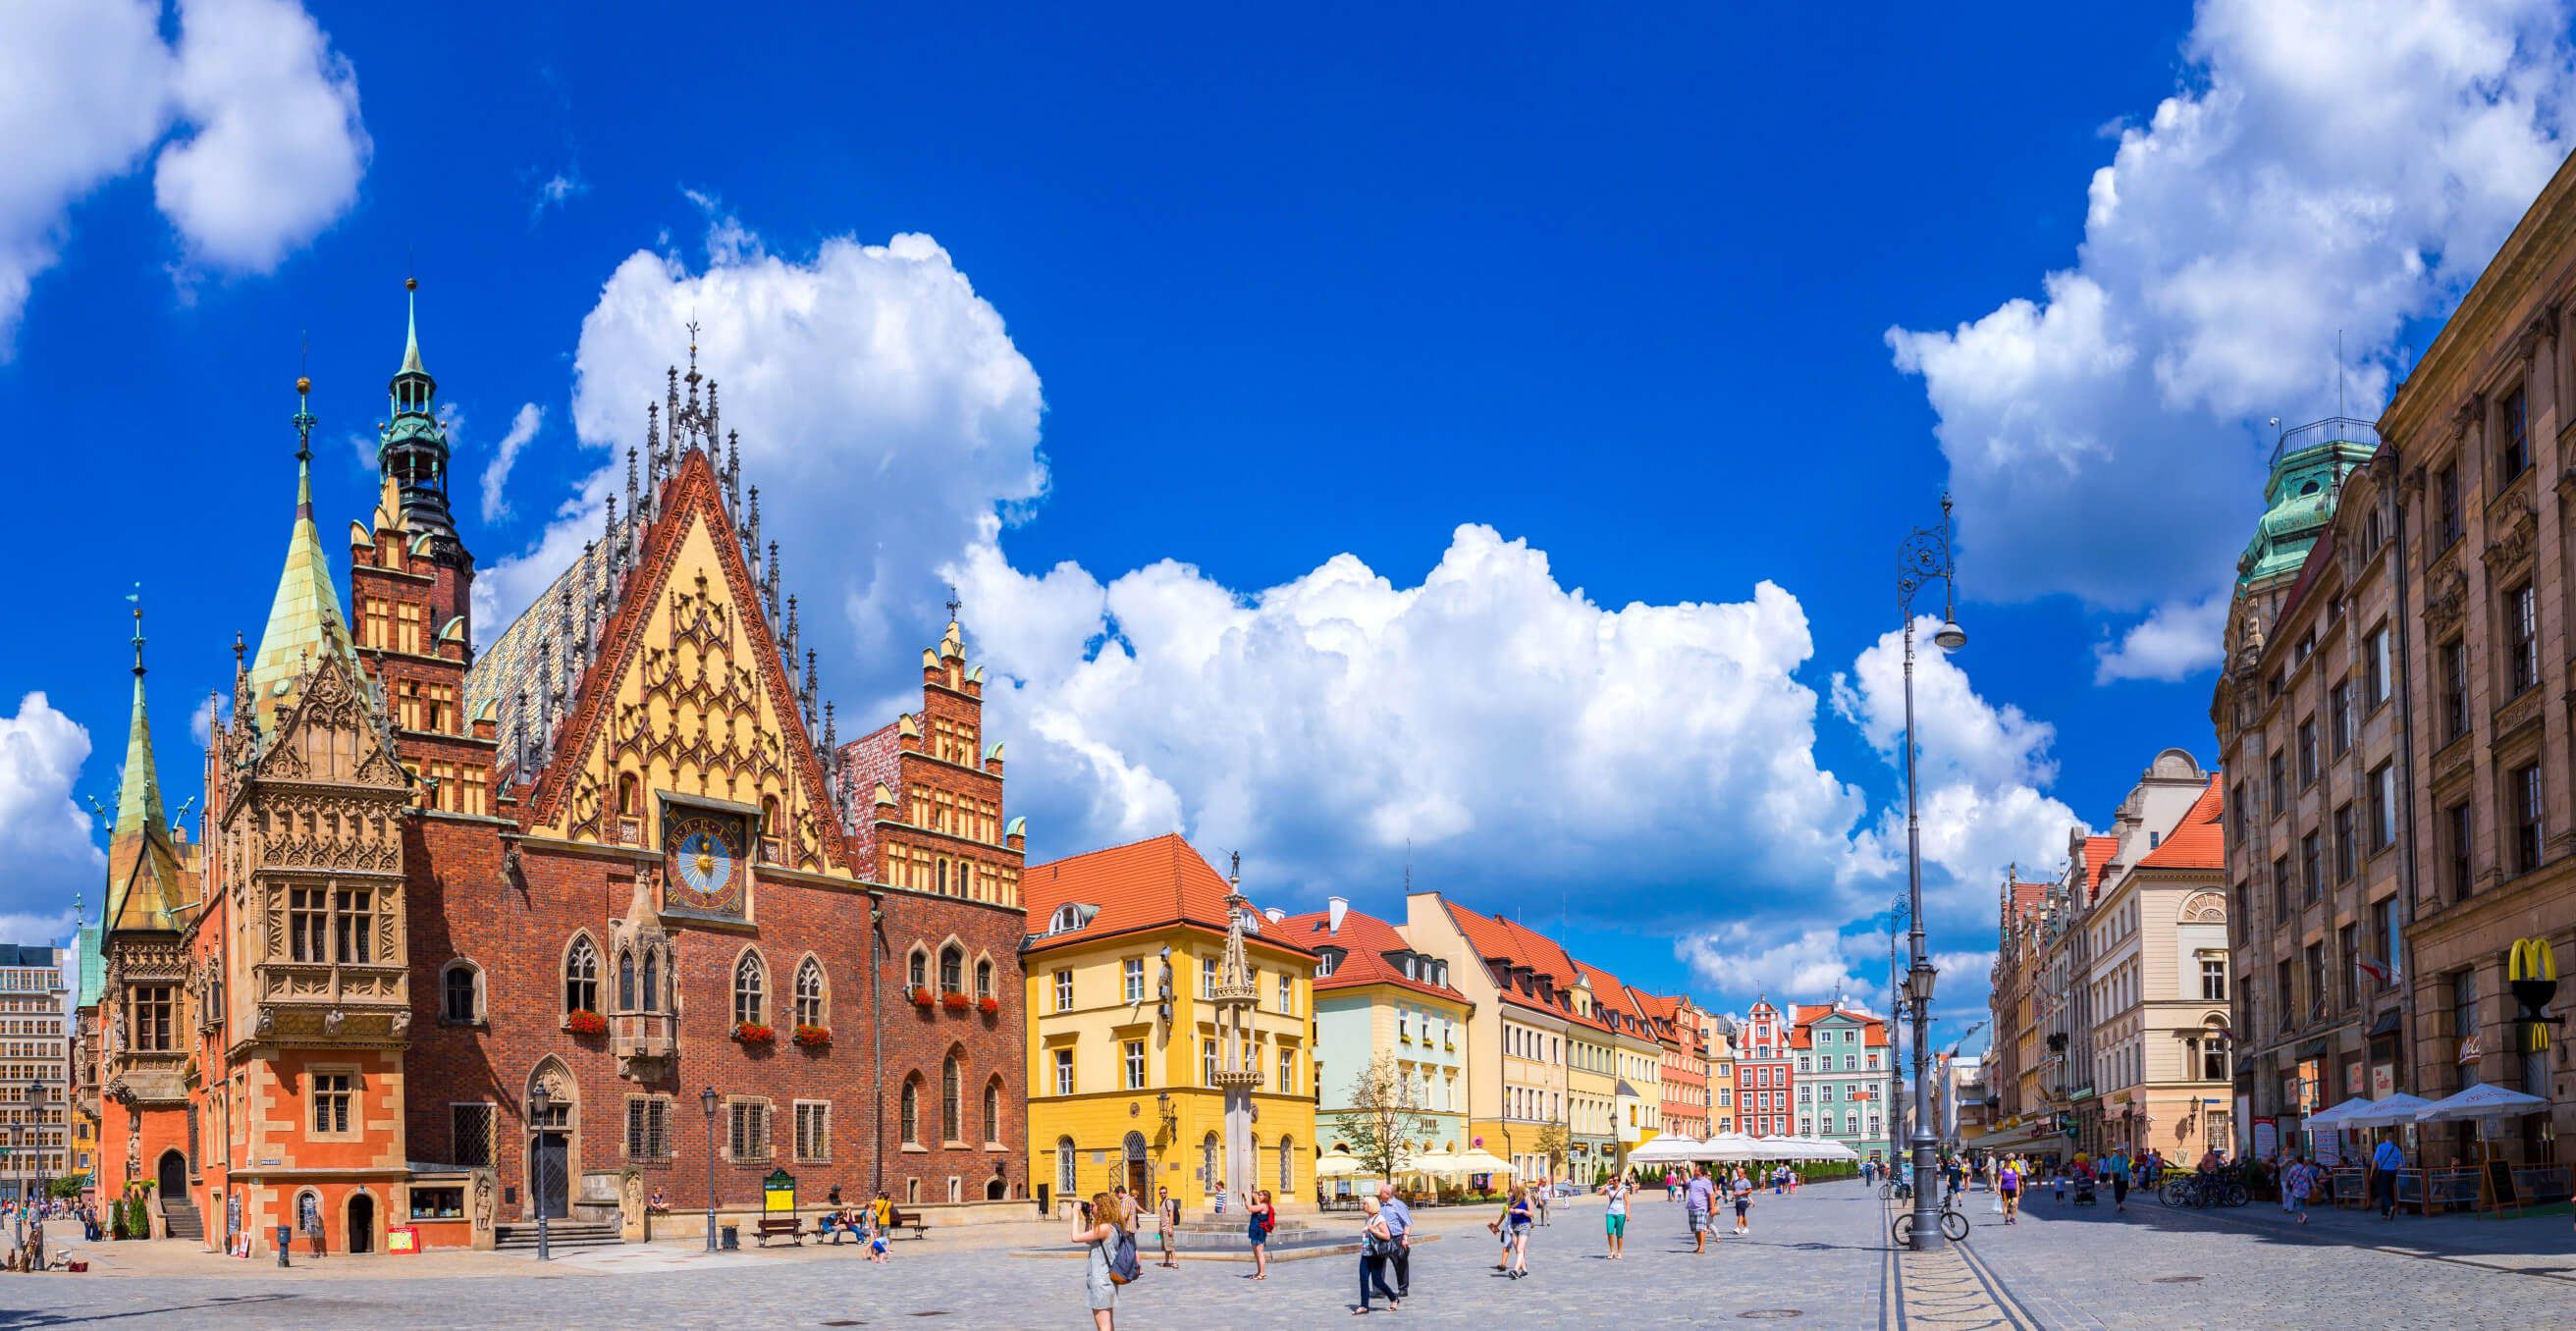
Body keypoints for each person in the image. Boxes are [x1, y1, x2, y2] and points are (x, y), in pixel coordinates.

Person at [1073, 1192, 1125, 1331]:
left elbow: (1075, 1237)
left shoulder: (1104, 1228)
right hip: (1108, 1281)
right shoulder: (1113, 1227)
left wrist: (1075, 1213)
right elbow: (1088, 1240)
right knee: (1108, 1324)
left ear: (1102, 1207)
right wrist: (1087, 1219)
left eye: (1094, 1205)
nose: (1091, 1207)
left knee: (1104, 1327)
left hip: (1100, 1282)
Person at [1355, 1195, 1400, 1313]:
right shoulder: (1368, 1219)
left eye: (1365, 1204)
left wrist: (1373, 1230)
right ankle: (1364, 1306)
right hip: (1365, 1253)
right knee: (1363, 1279)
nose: (1363, 1206)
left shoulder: (1380, 1219)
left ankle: (1393, 1297)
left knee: (1377, 1281)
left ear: (1371, 1206)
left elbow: (1387, 1236)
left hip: (1376, 1255)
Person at [1377, 1183, 1413, 1298]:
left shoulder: (1399, 1205)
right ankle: (1379, 1288)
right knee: (1379, 1264)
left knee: (1400, 1264)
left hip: (1397, 1238)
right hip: (1382, 1238)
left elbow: (1408, 1223)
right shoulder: (1379, 1206)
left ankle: (1403, 1288)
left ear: (1388, 1194)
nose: (1379, 1194)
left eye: (1381, 1192)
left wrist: (1405, 1238)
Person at [2370, 1135, 2404, 1220]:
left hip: (2383, 1172)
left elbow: (2375, 1160)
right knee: (2388, 1191)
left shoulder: (2381, 1147)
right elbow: (2400, 1165)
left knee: (2382, 1192)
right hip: (2393, 1173)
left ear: (2385, 1138)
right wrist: (2393, 1167)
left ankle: (2390, 1206)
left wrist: (2371, 1173)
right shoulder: (2396, 1149)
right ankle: (2384, 1214)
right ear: (2393, 1139)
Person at [1685, 1167, 1716, 1253]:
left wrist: (1712, 1208)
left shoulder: (1706, 1182)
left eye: (1696, 1170)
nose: (1694, 1170)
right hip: (1691, 1207)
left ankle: (1702, 1247)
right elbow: (1685, 1182)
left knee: (1701, 1228)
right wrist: (1682, 1172)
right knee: (1696, 1229)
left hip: (1701, 1207)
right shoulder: (1692, 1180)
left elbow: (1711, 1195)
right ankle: (1699, 1246)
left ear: (1700, 1172)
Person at [1505, 1186, 1534, 1277]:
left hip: (1524, 1225)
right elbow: (1508, 1211)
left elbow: (1531, 1214)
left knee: (1520, 1249)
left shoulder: (1527, 1200)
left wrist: (1522, 1211)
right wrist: (1512, 1211)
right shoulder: (1511, 1199)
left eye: (1514, 1187)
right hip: (1513, 1226)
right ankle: (1524, 1271)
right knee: (1517, 1250)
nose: (1512, 1188)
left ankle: (1515, 1270)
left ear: (1519, 1189)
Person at [1246, 1188, 1273, 1280]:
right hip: (1255, 1230)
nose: (1258, 1196)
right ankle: (1259, 1272)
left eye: (1260, 1195)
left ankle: (1262, 1273)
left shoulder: (1264, 1205)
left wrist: (1245, 1198)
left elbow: (1250, 1208)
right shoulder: (1261, 1205)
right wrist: (1254, 1197)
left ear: (1265, 1197)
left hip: (1259, 1231)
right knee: (1256, 1253)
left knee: (1259, 1253)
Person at [1603, 1176, 1631, 1260]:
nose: (1615, 1182)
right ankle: (1612, 1252)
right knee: (1609, 1232)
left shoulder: (1623, 1189)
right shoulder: (1609, 1188)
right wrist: (1606, 1184)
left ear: (1619, 1181)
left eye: (1616, 1180)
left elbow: (1627, 1202)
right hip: (1610, 1213)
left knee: (1619, 1234)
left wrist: (1628, 1213)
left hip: (1620, 1214)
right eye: (1613, 1180)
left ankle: (1619, 1253)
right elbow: (1599, 1193)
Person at [2283, 1154, 2316, 1225]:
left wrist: (2286, 1185)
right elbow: (2311, 1179)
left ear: (2297, 1160)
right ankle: (2300, 1218)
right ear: (2303, 1161)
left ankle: (2303, 1215)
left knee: (2298, 1203)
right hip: (2305, 1188)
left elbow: (2288, 1178)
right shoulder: (2306, 1169)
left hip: (2297, 1188)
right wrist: (2314, 1188)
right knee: (2301, 1203)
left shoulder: (2294, 1168)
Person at [1156, 1188, 1180, 1269]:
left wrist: (1170, 1227)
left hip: (1167, 1227)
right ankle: (1166, 1262)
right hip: (1162, 1228)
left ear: (1167, 1193)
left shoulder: (1168, 1202)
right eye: (1161, 1193)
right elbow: (1161, 1217)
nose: (1162, 1194)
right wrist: (1159, 1229)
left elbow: (1171, 1215)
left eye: (1164, 1192)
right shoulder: (1161, 1203)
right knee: (1166, 1246)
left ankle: (1174, 1262)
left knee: (1170, 1246)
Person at [1997, 1156, 2021, 1224]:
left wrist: (2018, 1190)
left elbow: (2016, 1181)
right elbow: (1999, 1181)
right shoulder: (2002, 1170)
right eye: (2006, 1162)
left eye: (2009, 1162)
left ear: (2011, 1163)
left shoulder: (2014, 1171)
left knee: (2015, 1204)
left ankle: (2012, 1218)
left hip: (2013, 1189)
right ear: (2005, 1163)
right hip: (2004, 1190)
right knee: (2006, 1204)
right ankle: (2006, 1219)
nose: (2008, 1163)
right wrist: (1998, 1190)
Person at [2108, 1148, 2132, 1213]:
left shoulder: (2125, 1157)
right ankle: (2118, 1205)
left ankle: (2120, 1204)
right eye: (2119, 1151)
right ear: (2117, 1152)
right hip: (2117, 1176)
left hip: (2125, 1177)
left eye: (2121, 1151)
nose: (2120, 1152)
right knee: (2117, 1191)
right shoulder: (2113, 1158)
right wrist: (2111, 1178)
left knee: (2124, 1191)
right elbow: (2111, 1168)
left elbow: (2130, 1162)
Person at [1731, 1168, 1754, 1236]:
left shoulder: (1746, 1181)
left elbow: (1750, 1190)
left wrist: (1741, 1193)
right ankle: (1746, 1228)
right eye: (1737, 1172)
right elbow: (1734, 1189)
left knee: (1740, 1214)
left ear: (1742, 1173)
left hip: (1743, 1200)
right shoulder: (1736, 1181)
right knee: (1741, 1214)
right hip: (1737, 1200)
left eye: (1739, 1172)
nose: (1737, 1173)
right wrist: (1733, 1195)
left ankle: (1738, 1228)